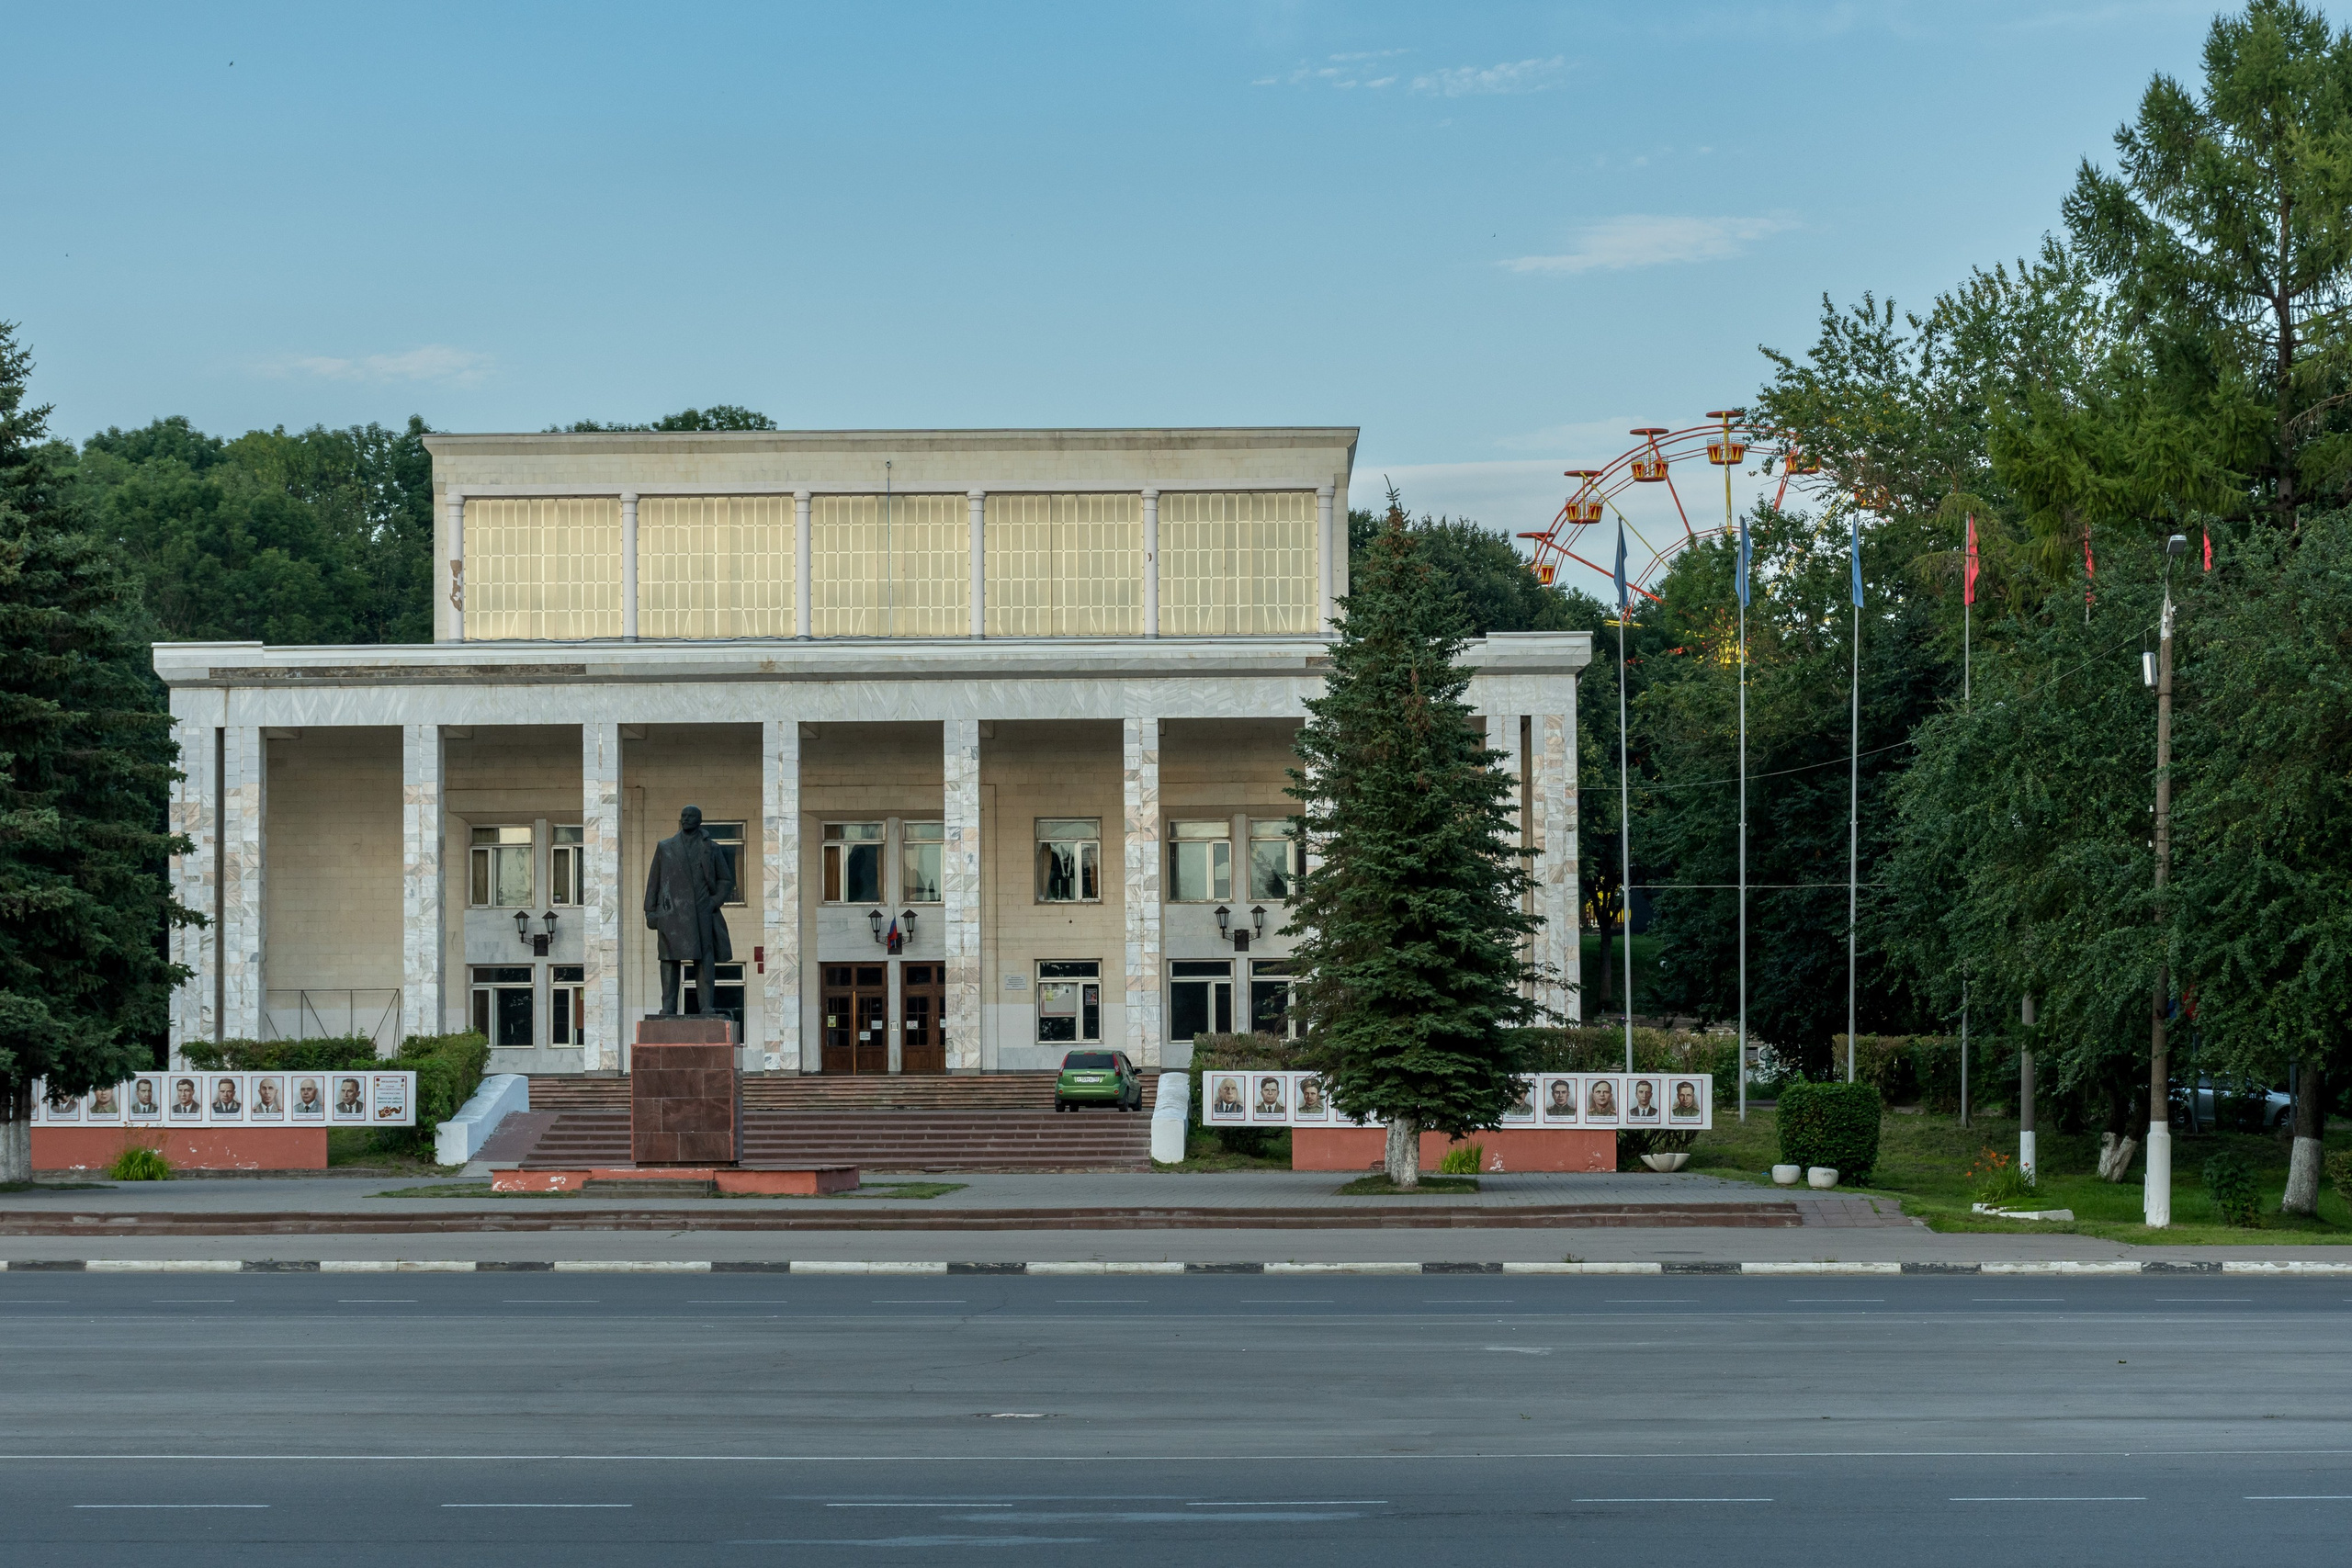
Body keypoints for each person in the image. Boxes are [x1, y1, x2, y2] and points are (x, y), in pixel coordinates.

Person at [644, 805, 735, 1018]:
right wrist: (650, 911)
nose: (685, 819)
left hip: (702, 912)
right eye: (683, 816)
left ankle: (706, 1007)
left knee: (704, 960)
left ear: (699, 820)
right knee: (669, 959)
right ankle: (668, 1007)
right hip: (671, 912)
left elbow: (725, 879)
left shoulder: (712, 848)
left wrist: (714, 902)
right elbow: (654, 882)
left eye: (690, 816)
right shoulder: (665, 847)